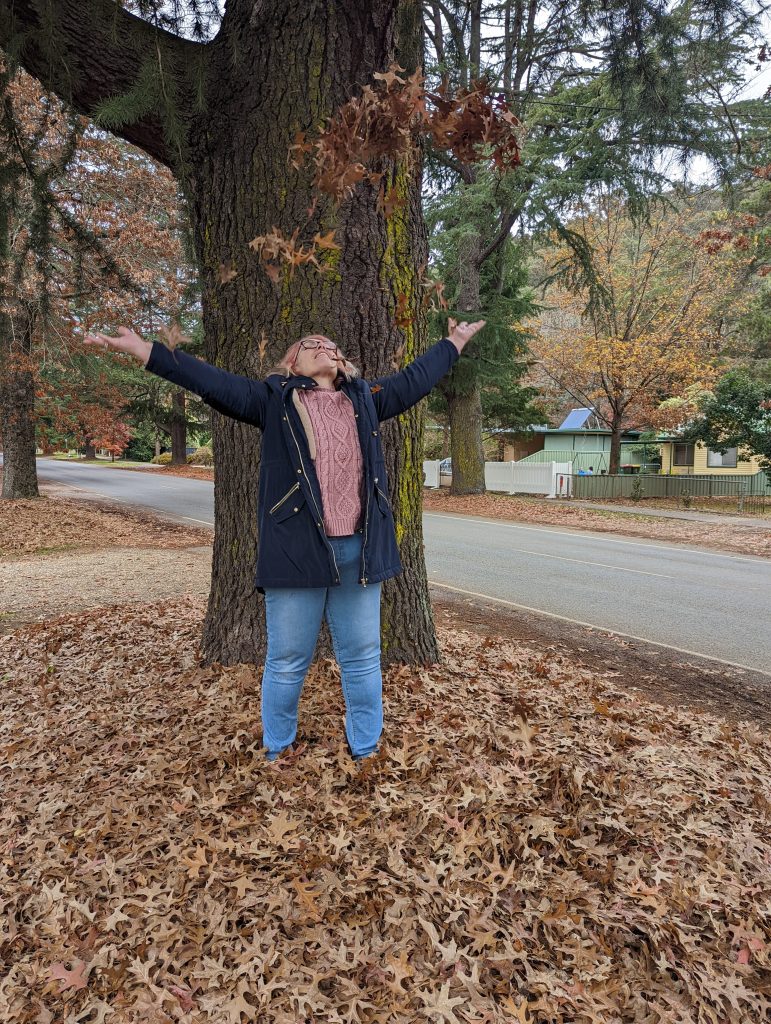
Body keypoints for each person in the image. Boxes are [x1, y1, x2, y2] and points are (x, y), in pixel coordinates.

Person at [83, 318, 485, 764]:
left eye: (332, 343)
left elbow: (415, 379)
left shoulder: (365, 399)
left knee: (363, 657)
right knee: (288, 659)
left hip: (362, 549)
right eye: (313, 344)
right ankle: (278, 749)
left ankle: (366, 748)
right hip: (297, 550)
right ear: (291, 362)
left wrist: (454, 342)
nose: (326, 347)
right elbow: (211, 381)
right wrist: (148, 352)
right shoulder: (274, 400)